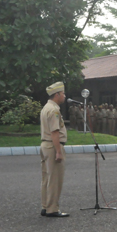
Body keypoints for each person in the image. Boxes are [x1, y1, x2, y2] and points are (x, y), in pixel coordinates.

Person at [39, 82, 69, 218]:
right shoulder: (54, 110)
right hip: (52, 146)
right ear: (57, 95)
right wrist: (58, 151)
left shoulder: (46, 107)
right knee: (55, 179)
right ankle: (52, 208)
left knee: (47, 178)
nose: (64, 96)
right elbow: (55, 132)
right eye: (62, 93)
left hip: (45, 145)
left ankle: (45, 206)